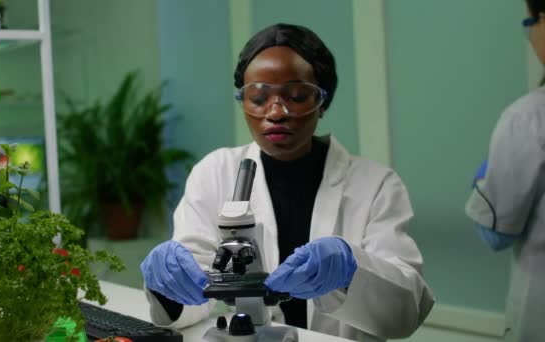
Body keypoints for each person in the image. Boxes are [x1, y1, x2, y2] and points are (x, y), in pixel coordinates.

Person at [140, 23, 434, 341]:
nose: (276, 112)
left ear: (323, 102)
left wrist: (352, 272)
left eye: (296, 96)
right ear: (243, 102)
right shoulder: (215, 171)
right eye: (258, 97)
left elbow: (406, 310)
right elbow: (193, 294)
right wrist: (170, 285)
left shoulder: (376, 184)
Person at [465, 1, 545, 340]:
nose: (529, 35)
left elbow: (496, 232)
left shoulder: (529, 118)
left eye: (532, 21)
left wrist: (484, 184)